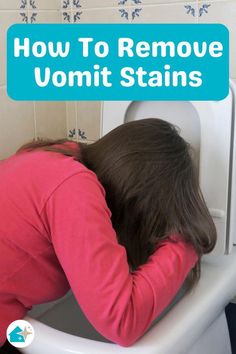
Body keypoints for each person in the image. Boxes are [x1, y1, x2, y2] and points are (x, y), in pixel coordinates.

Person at [0, 118, 216, 352]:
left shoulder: (51, 155)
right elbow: (122, 323)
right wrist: (187, 239)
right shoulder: (73, 188)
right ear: (138, 199)